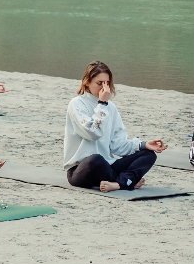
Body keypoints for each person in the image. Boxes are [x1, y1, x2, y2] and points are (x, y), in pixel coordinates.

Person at [63, 61, 167, 192]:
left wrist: (143, 144)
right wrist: (102, 103)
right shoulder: (77, 104)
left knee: (149, 155)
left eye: (107, 83)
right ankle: (127, 182)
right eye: (99, 83)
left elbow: (119, 145)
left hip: (107, 166)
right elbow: (93, 133)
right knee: (96, 159)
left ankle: (118, 183)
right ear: (87, 82)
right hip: (82, 169)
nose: (104, 88)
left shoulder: (110, 107)